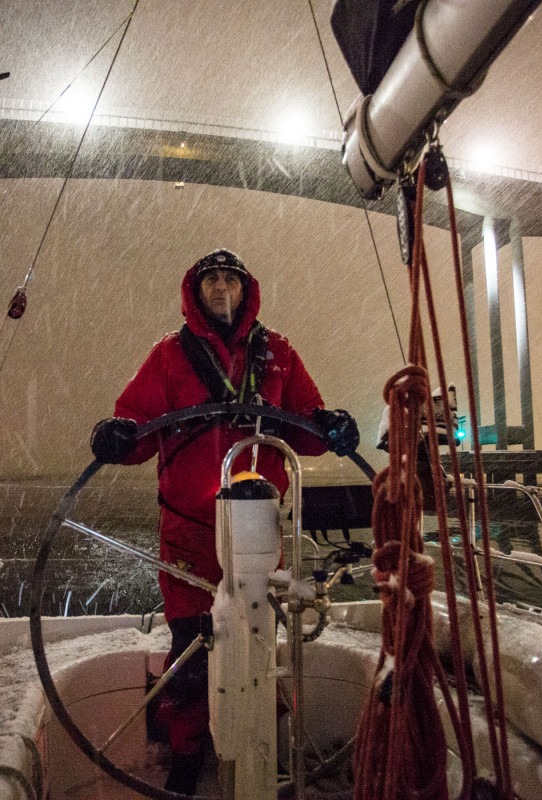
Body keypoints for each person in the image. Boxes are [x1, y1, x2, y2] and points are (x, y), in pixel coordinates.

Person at [89, 248, 358, 794]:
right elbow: (138, 425)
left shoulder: (277, 354)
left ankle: (264, 744)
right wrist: (115, 434)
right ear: (196, 290)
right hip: (188, 528)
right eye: (210, 280)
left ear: (245, 289)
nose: (220, 289)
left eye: (229, 280)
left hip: (259, 525)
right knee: (192, 643)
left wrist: (332, 424)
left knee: (260, 637)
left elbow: (306, 428)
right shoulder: (169, 356)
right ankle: (188, 754)